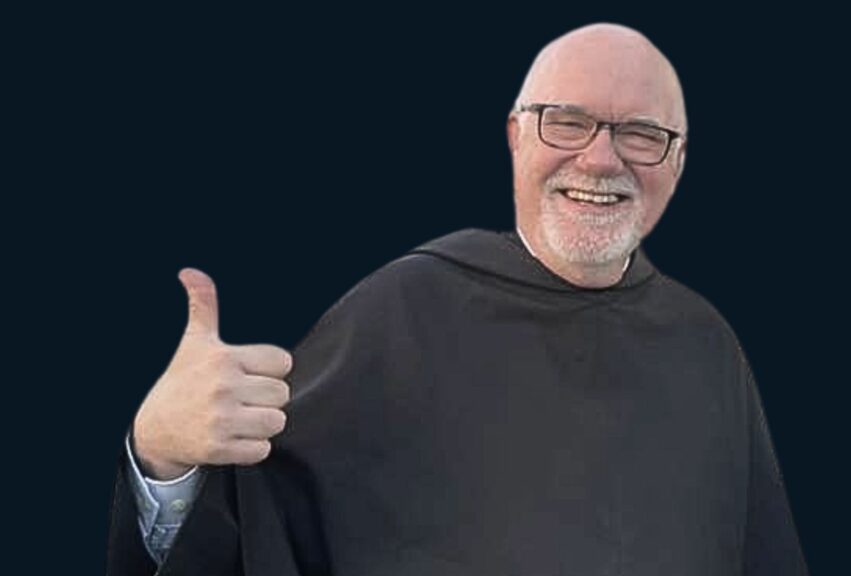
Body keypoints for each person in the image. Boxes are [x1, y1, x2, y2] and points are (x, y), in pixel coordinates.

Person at [107, 23, 808, 575]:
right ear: (516, 137)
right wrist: (162, 458)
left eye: (641, 134)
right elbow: (256, 532)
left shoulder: (707, 347)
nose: (601, 158)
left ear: (677, 162)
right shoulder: (397, 314)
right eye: (567, 122)